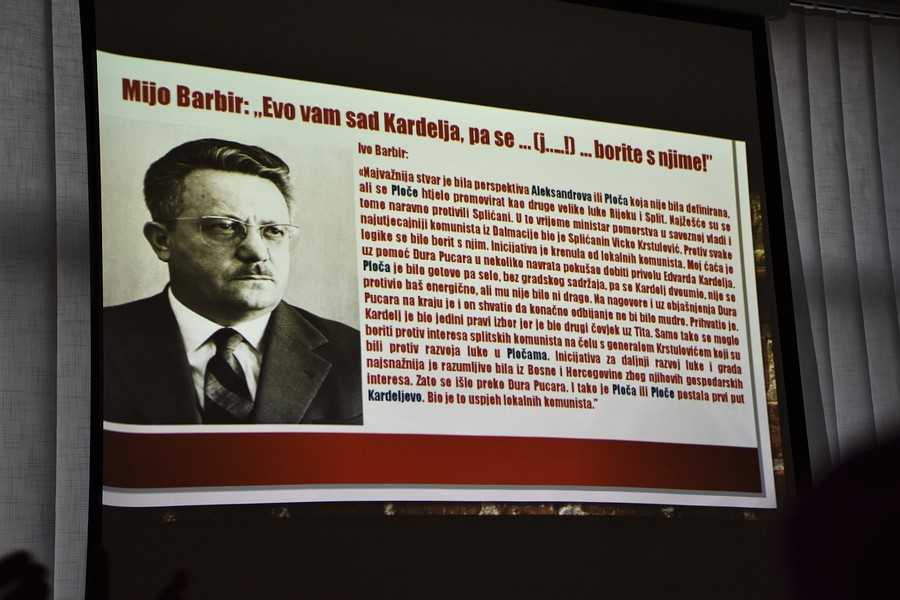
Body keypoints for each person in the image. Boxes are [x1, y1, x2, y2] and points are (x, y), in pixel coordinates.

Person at [103, 138, 362, 425]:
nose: (256, 251)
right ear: (162, 241)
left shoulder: (353, 355)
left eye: (273, 231)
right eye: (224, 227)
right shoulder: (101, 340)